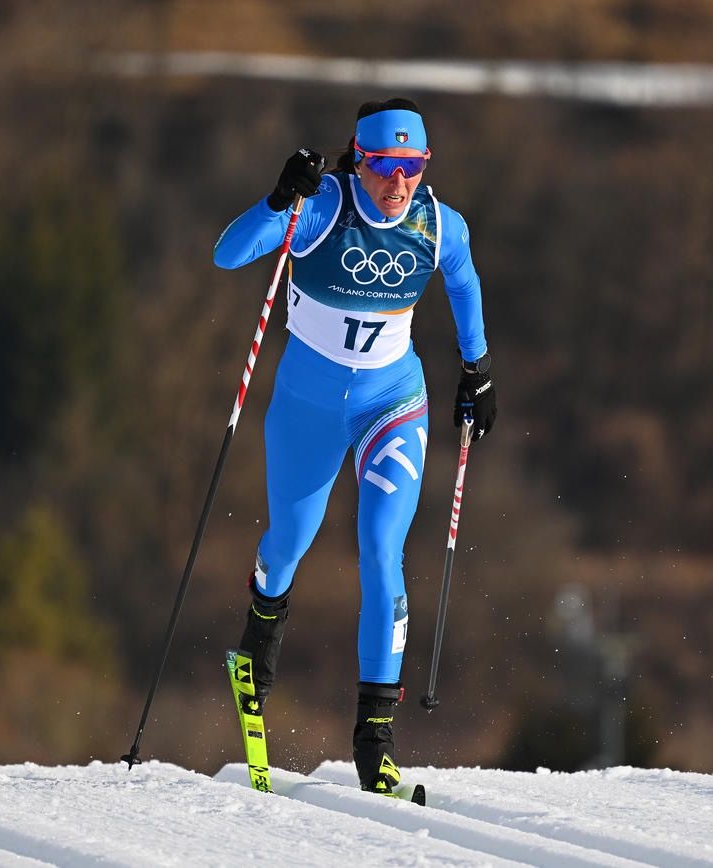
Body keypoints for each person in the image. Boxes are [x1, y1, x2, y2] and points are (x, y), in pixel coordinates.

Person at [212, 97, 496, 796]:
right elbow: (227, 254)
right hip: (307, 410)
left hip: (391, 405)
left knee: (380, 547)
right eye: (382, 166)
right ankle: (259, 636)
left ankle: (376, 739)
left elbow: (462, 282)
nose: (396, 182)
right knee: (288, 544)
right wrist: (279, 198)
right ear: (356, 160)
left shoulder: (437, 225)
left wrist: (477, 369)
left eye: (411, 166)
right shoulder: (320, 209)